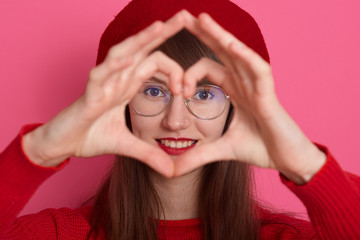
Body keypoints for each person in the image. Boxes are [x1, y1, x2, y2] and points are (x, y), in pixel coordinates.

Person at [0, 0, 359, 239]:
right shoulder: (61, 234)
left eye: (204, 94)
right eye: (153, 91)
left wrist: (304, 163)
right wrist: (41, 149)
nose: (175, 122)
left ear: (239, 108)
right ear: (119, 102)